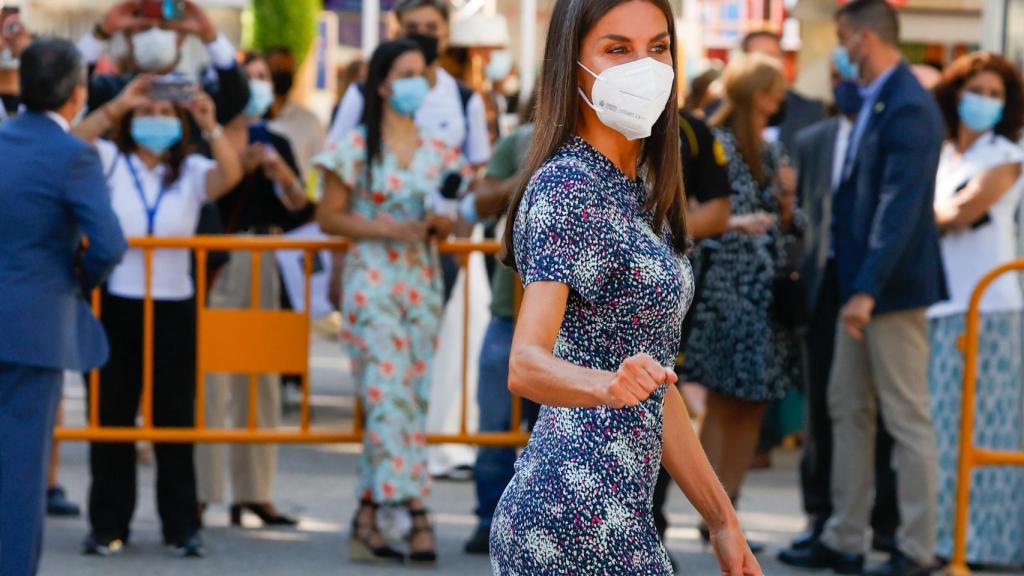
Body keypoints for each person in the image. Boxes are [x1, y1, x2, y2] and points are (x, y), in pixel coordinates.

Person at [489, 1, 761, 574]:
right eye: (618, 49)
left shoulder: (639, 192)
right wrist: (608, 383)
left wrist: (722, 521)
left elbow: (656, 393)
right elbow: (526, 364)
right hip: (568, 512)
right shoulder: (567, 189)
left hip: (620, 514)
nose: (645, 65)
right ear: (573, 63)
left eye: (657, 47)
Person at [778, 1, 947, 574]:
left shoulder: (908, 108)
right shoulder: (875, 100)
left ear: (867, 38)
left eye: (845, 38)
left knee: (905, 417)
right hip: (858, 288)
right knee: (846, 408)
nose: (841, 50)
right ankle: (846, 536)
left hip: (888, 292)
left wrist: (867, 289)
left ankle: (917, 549)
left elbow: (897, 212)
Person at [71, 76, 242, 558]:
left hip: (173, 304)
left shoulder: (190, 169)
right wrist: (115, 107)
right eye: (149, 112)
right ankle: (107, 524)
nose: (157, 121)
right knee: (112, 416)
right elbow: (68, 147)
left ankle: (181, 526)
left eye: (168, 115)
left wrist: (212, 126)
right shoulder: (109, 161)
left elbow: (228, 177)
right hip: (115, 303)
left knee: (174, 417)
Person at [314, 38, 465, 565]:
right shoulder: (354, 146)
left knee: (413, 397)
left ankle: (367, 515)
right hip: (372, 279)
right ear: (381, 84)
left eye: (423, 73)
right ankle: (417, 509)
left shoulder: (439, 148)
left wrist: (442, 224)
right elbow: (328, 216)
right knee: (385, 396)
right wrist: (386, 227)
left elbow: (453, 216)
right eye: (405, 73)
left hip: (421, 281)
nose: (416, 83)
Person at [0, 37, 127, 576]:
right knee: (20, 478)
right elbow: (108, 243)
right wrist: (79, 277)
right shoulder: (74, 154)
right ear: (79, 94)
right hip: (35, 328)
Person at [679, 53, 802, 550]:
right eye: (770, 90)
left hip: (766, 294)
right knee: (724, 400)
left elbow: (793, 224)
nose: (776, 101)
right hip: (726, 291)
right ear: (753, 92)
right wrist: (736, 223)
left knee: (751, 405)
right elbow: (688, 216)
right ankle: (711, 512)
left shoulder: (772, 153)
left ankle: (732, 511)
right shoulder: (717, 142)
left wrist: (789, 203)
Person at [782, 69, 900, 556]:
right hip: (823, 288)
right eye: (838, 76)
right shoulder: (813, 140)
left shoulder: (890, 131)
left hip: (877, 290)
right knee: (824, 410)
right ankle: (822, 519)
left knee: (886, 414)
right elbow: (802, 215)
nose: (846, 82)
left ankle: (886, 525)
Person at [195, 54, 311, 529]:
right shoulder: (206, 138)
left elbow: (302, 209)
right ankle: (201, 493)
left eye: (264, 79)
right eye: (251, 79)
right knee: (211, 381)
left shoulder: (276, 140)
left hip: (268, 259)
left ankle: (255, 493)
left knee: (260, 380)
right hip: (220, 261)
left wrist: (283, 176)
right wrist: (236, 165)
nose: (258, 88)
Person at [928, 51, 1024, 568]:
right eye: (977, 90)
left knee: (988, 429)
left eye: (996, 94)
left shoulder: (1005, 154)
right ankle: (947, 539)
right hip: (940, 307)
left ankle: (989, 543)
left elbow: (964, 213)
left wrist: (930, 211)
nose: (984, 101)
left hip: (992, 309)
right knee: (941, 429)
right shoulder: (944, 154)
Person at [650, 107, 733, 563]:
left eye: (659, 47)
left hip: (669, 309)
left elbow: (718, 210)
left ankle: (652, 528)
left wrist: (649, 233)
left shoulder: (689, 132)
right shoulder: (573, 150)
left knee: (662, 401)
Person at [461, 94, 542, 556]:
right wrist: (520, 178)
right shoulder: (518, 142)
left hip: (570, 319)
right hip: (509, 309)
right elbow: (480, 200)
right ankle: (488, 516)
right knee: (493, 419)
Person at [328, 0, 490, 169]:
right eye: (412, 28)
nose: (421, 36)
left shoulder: (466, 99)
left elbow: (476, 170)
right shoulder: (363, 94)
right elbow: (334, 160)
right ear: (397, 33)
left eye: (431, 28)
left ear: (446, 35)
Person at [78, 0, 250, 127]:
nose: (155, 34)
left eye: (165, 28)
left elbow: (237, 96)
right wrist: (102, 32)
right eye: (144, 28)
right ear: (129, 39)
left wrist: (210, 36)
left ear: (181, 38)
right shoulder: (111, 91)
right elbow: (69, 87)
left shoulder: (193, 95)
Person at [741, 30, 827, 155]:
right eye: (758, 57)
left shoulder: (811, 111)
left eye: (772, 56)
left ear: (782, 61)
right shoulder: (723, 112)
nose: (766, 65)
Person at [265, 46, 326, 183]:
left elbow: (320, 170)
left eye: (287, 69)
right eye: (277, 67)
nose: (283, 72)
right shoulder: (246, 121)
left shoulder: (309, 121)